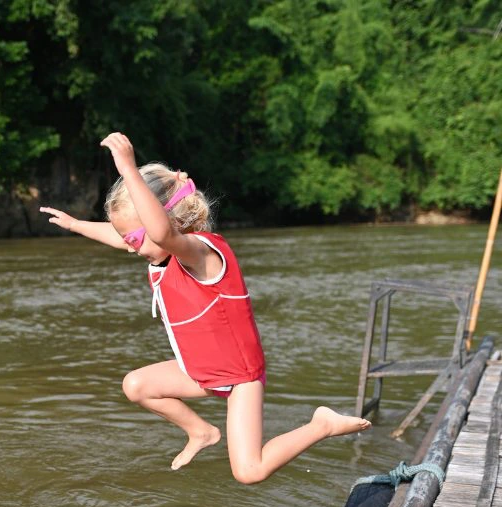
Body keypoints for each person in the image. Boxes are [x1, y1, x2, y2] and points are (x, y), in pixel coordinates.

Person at [40, 132, 371, 483]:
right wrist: (76, 225)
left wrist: (129, 170)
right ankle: (201, 432)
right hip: (201, 370)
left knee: (249, 471)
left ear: (165, 221)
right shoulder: (160, 251)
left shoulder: (201, 254)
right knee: (136, 385)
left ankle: (322, 424)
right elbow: (133, 235)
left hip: (239, 374)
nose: (131, 247)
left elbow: (161, 234)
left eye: (135, 238)